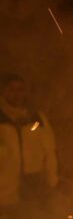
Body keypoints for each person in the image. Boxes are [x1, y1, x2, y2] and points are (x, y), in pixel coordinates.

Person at [0, 73, 58, 209]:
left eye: (20, 90)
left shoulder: (36, 119)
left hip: (33, 189)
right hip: (4, 191)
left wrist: (52, 180)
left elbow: (49, 151)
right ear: (3, 91)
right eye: (11, 89)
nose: (16, 94)